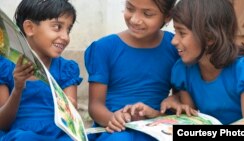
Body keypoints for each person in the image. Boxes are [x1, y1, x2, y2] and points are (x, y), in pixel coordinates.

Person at [84, 0, 181, 140]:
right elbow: (95, 105)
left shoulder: (174, 46)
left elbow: (178, 100)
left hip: (157, 127)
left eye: (147, 14)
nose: (135, 20)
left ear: (168, 16)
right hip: (115, 130)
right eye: (130, 8)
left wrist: (173, 100)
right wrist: (113, 119)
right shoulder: (104, 48)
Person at [0, 0, 82, 140]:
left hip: (57, 134)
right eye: (57, 27)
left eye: (68, 29)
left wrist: (69, 107)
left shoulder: (66, 69)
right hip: (20, 133)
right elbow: (3, 123)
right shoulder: (6, 67)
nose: (65, 37)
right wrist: (17, 89)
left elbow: (72, 119)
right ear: (30, 28)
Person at [169, 0, 244, 124]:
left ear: (210, 37)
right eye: (175, 32)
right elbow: (191, 120)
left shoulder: (243, 71)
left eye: (182, 33)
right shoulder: (184, 70)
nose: (173, 41)